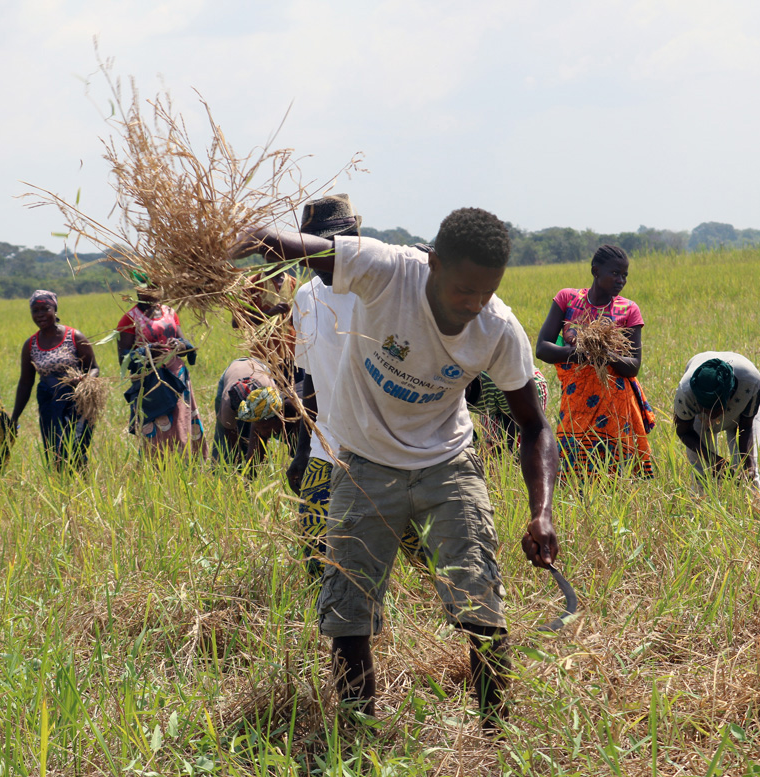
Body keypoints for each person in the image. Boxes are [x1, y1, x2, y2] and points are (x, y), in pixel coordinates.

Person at [240, 207, 559, 733]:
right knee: (348, 615)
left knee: (481, 607)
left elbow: (534, 426)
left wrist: (541, 512)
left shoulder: (498, 329)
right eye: (463, 290)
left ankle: (495, 734)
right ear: (432, 264)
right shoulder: (389, 270)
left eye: (486, 292)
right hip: (362, 463)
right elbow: (281, 243)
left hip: (446, 464)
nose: (473, 305)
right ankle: (357, 736)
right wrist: (223, 243)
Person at [287, 195, 364, 575]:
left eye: (327, 248)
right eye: (311, 251)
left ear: (354, 240)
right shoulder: (305, 298)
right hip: (327, 446)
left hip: (386, 450)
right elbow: (310, 379)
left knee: (427, 556)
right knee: (316, 551)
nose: (319, 261)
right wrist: (303, 449)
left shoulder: (379, 293)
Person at [535, 244, 655, 478]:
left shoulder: (628, 310)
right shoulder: (567, 299)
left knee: (618, 478)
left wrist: (603, 353)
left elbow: (634, 366)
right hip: (576, 401)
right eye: (615, 273)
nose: (621, 280)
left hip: (615, 405)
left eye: (625, 275)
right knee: (571, 476)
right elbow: (542, 348)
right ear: (595, 271)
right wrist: (580, 353)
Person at [117, 276, 206, 458]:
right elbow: (124, 359)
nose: (151, 290)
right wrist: (148, 352)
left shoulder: (169, 312)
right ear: (138, 289)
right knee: (157, 430)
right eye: (146, 287)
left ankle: (189, 469)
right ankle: (159, 474)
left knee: (182, 424)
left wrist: (180, 345)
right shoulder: (129, 319)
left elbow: (184, 343)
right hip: (151, 381)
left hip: (177, 377)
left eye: (155, 285)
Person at [10, 290, 99, 471]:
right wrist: (15, 417)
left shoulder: (74, 337)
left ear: (55, 309)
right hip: (49, 403)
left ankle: (82, 488)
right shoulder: (31, 344)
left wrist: (84, 380)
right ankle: (61, 490)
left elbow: (94, 368)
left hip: (77, 402)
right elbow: (25, 383)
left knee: (76, 449)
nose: (40, 314)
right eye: (35, 310)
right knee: (55, 452)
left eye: (45, 309)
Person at [673, 353, 760, 491]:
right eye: (703, 406)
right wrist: (712, 459)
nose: (709, 413)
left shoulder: (750, 382)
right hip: (697, 418)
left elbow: (746, 426)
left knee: (750, 474)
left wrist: (749, 465)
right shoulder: (686, 392)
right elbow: (683, 431)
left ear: (730, 395)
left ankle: (753, 509)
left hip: (741, 411)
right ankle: (702, 510)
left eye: (714, 408)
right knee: (702, 473)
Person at [212, 356, 291, 465]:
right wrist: (238, 458)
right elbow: (229, 433)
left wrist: (258, 453)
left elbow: (265, 425)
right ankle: (219, 466)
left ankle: (265, 460)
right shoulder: (227, 402)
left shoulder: (268, 390)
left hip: (258, 367)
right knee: (222, 436)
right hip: (232, 371)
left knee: (263, 425)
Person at [465, 370, 550, 452]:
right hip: (491, 403)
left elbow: (510, 418)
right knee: (492, 444)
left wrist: (507, 450)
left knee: (525, 443)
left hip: (523, 388)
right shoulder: (455, 389)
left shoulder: (494, 383)